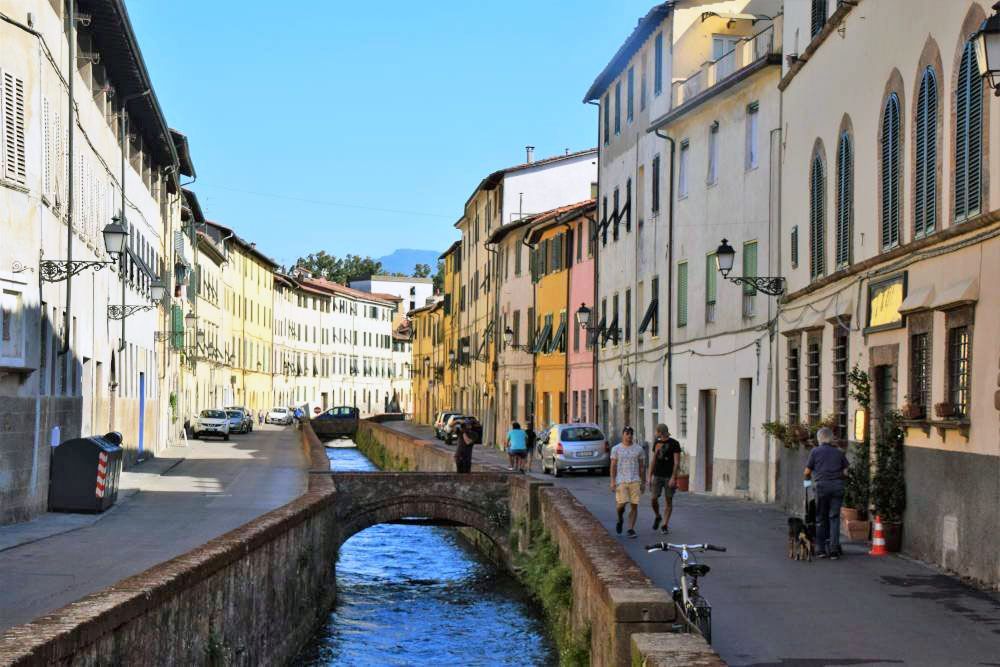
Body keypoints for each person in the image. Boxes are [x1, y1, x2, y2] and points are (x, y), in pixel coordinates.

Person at [804, 426, 849, 559]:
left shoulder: (815, 451)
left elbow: (807, 472)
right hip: (837, 487)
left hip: (822, 487)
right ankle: (834, 550)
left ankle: (821, 549)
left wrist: (806, 485)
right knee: (834, 518)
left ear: (819, 439)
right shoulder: (839, 452)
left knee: (820, 518)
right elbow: (846, 472)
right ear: (831, 438)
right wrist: (840, 479)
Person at [609, 426, 646, 539]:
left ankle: (630, 529)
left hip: (635, 480)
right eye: (627, 433)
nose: (629, 435)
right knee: (621, 504)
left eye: (631, 433)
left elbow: (641, 467)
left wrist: (643, 482)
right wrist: (612, 481)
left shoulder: (638, 449)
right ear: (623, 435)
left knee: (634, 505)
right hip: (621, 480)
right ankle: (620, 518)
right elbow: (613, 465)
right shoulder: (616, 449)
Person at [648, 423, 682, 534]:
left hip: (669, 476)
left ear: (661, 432)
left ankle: (665, 525)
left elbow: (676, 463)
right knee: (653, 498)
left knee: (668, 500)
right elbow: (653, 460)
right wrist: (649, 476)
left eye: (656, 431)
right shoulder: (657, 443)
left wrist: (673, 477)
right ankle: (658, 516)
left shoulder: (674, 444)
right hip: (657, 475)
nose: (655, 433)